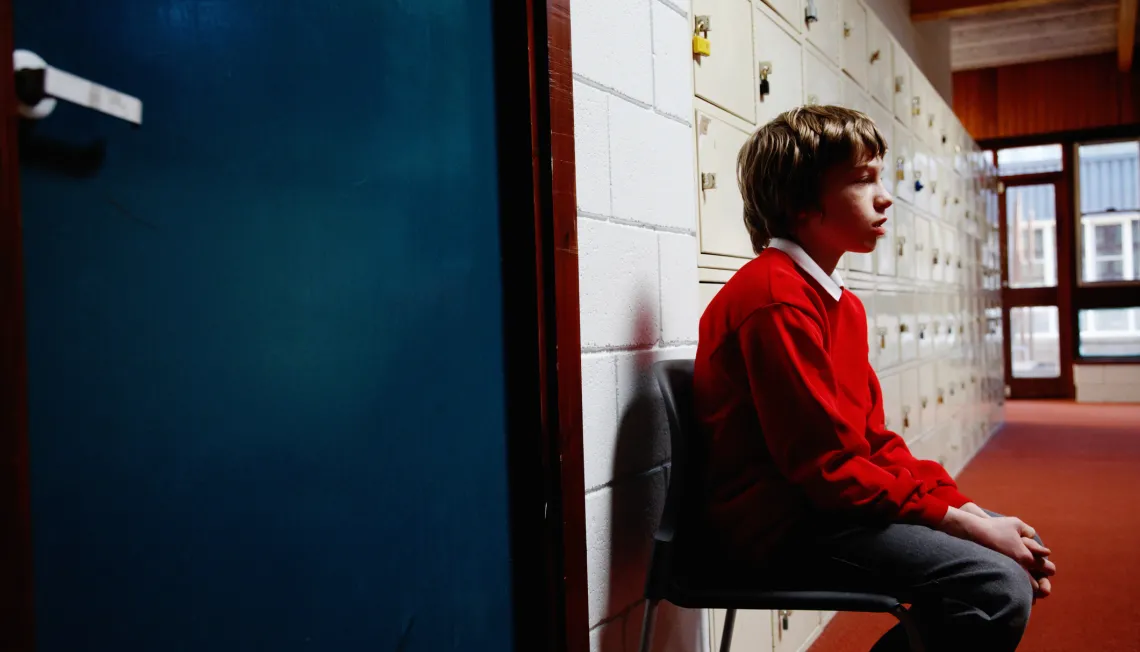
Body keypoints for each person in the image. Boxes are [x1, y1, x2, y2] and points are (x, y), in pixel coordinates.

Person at [691, 105, 1055, 651]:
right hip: (783, 530)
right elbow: (828, 469)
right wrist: (961, 525)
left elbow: (873, 441)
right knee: (995, 585)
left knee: (1011, 547)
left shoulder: (840, 305)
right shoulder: (774, 298)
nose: (885, 197)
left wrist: (963, 508)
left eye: (880, 176)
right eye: (863, 180)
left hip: (828, 511)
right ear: (799, 202)